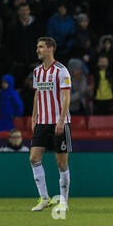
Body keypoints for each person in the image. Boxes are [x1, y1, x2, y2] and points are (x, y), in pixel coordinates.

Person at [30, 37, 72, 213]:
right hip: (42, 122)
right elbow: (37, 96)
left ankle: (63, 201)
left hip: (59, 122)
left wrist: (61, 120)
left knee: (61, 163)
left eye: (40, 47)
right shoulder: (37, 71)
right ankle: (45, 198)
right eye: (37, 47)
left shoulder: (61, 71)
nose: (38, 50)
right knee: (34, 158)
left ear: (50, 49)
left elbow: (66, 97)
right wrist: (34, 118)